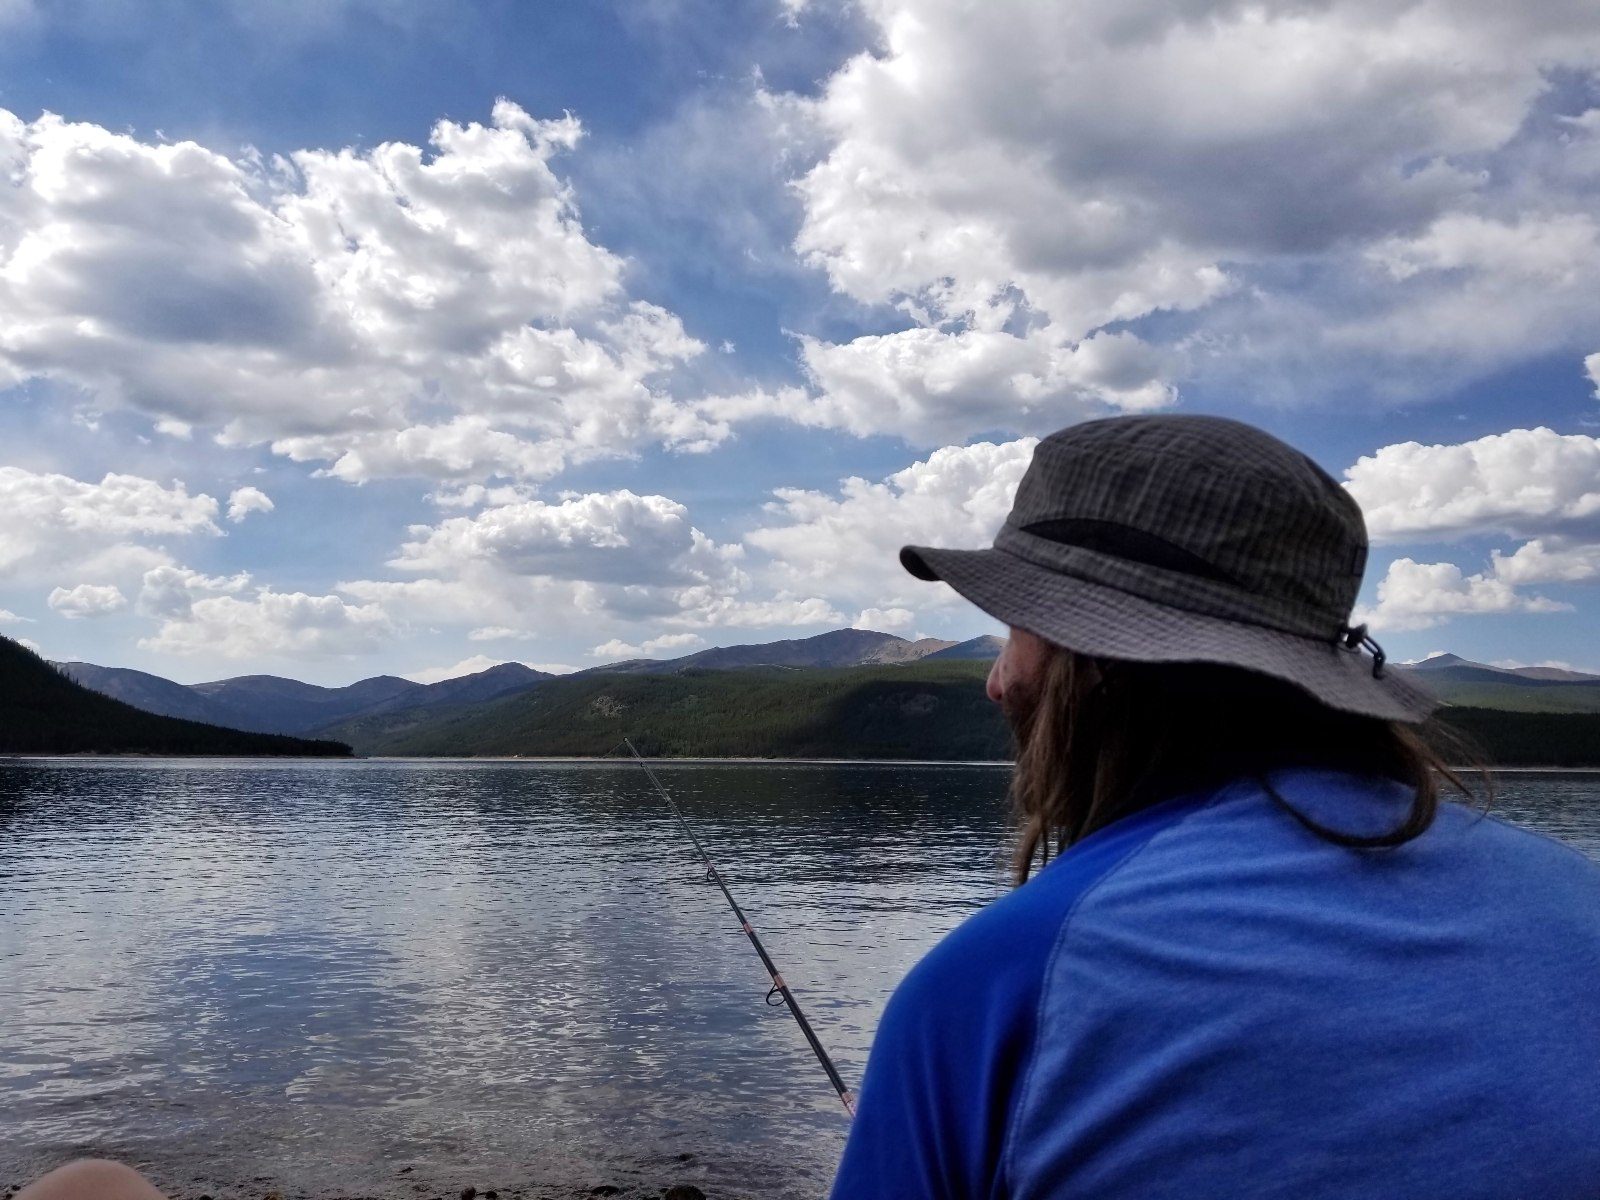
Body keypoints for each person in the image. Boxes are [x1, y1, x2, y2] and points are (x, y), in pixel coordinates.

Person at [829, 414, 1600, 1199]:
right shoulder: (1580, 898)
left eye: (1015, 633)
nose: (999, 682)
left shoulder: (997, 986)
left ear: (1092, 662)